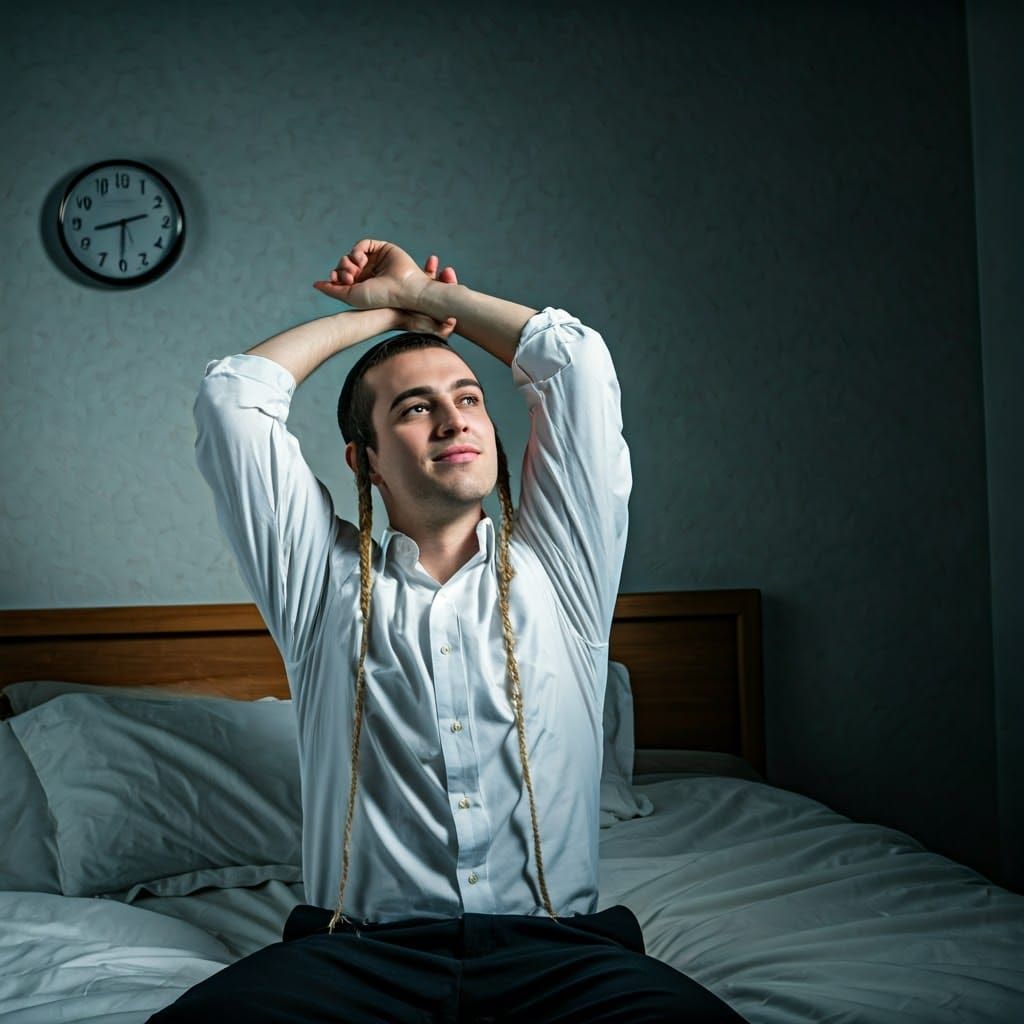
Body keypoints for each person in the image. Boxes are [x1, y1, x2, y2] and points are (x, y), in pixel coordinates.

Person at [150, 239, 744, 1022]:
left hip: (559, 954)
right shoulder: (319, 588)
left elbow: (576, 365)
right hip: (360, 958)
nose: (453, 420)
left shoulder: (563, 572)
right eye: (415, 407)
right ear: (361, 461)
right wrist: (382, 316)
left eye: (468, 398)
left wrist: (435, 295)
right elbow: (234, 398)